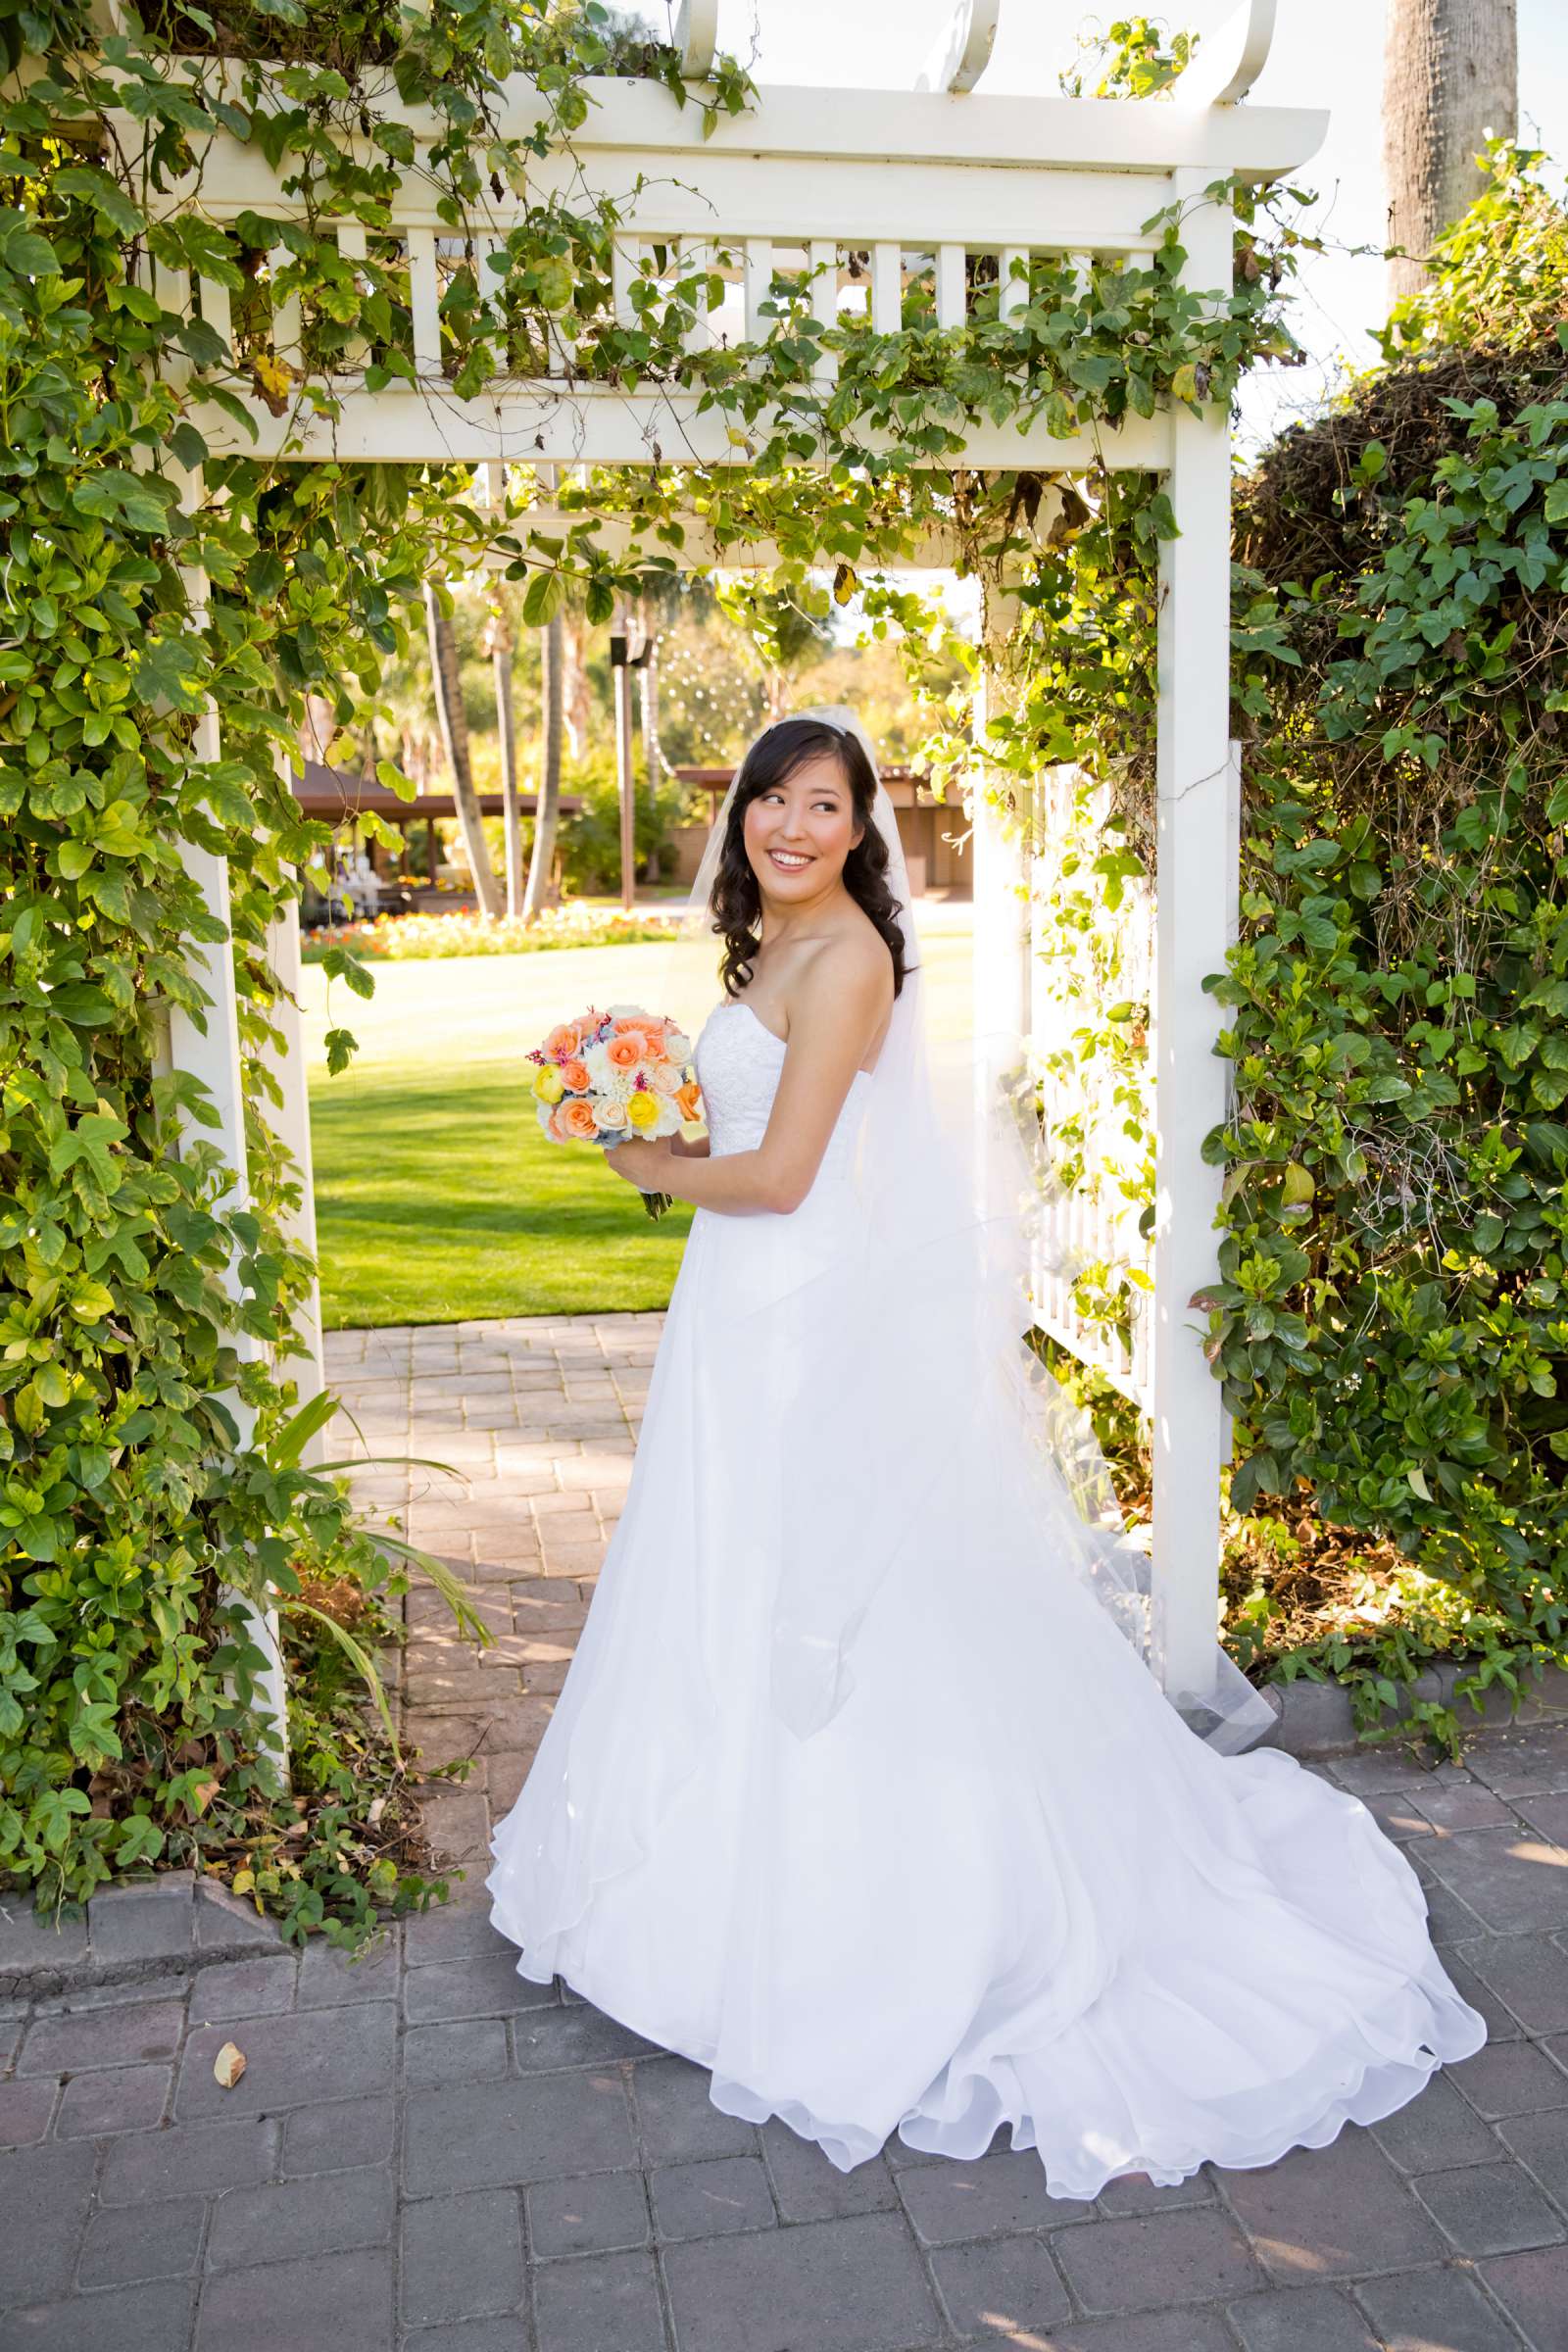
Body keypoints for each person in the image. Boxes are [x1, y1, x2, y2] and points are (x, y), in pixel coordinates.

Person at [485, 708, 1485, 2194]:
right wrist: (646, 1089)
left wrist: (642, 1160)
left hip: (805, 1315)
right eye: (773, 801)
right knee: (726, 1571)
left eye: (825, 806)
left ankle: (874, 1920)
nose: (792, 828)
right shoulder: (765, 952)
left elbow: (783, 1173)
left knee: (839, 1588)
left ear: (862, 827)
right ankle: (696, 1883)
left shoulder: (850, 963)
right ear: (745, 817)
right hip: (740, 1317)